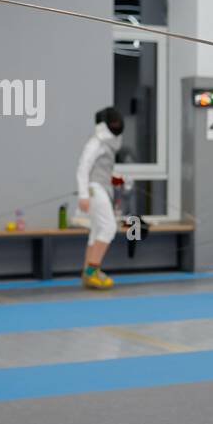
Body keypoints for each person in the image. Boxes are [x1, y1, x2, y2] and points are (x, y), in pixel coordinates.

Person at [75, 106, 124, 290]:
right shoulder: (95, 142)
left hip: (100, 187)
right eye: (113, 122)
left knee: (97, 231)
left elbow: (100, 169)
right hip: (94, 189)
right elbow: (83, 167)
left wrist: (115, 178)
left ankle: (87, 273)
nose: (116, 125)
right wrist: (83, 195)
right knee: (109, 228)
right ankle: (92, 272)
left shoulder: (107, 144)